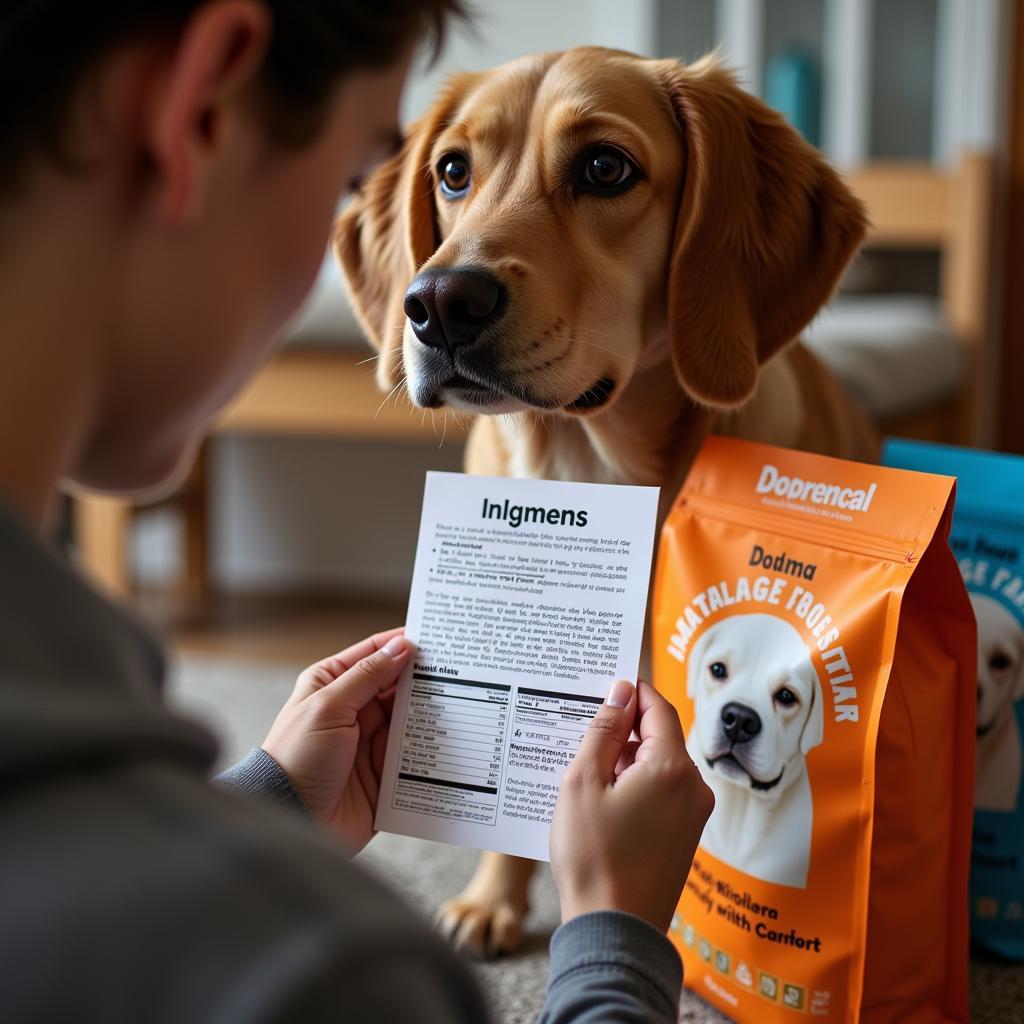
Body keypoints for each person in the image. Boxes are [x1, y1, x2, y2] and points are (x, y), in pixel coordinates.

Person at [0, 2, 714, 1021]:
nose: (430, 283)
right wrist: (614, 936)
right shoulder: (326, 977)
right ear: (202, 110)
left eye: (599, 172)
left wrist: (264, 804)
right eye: (358, 169)